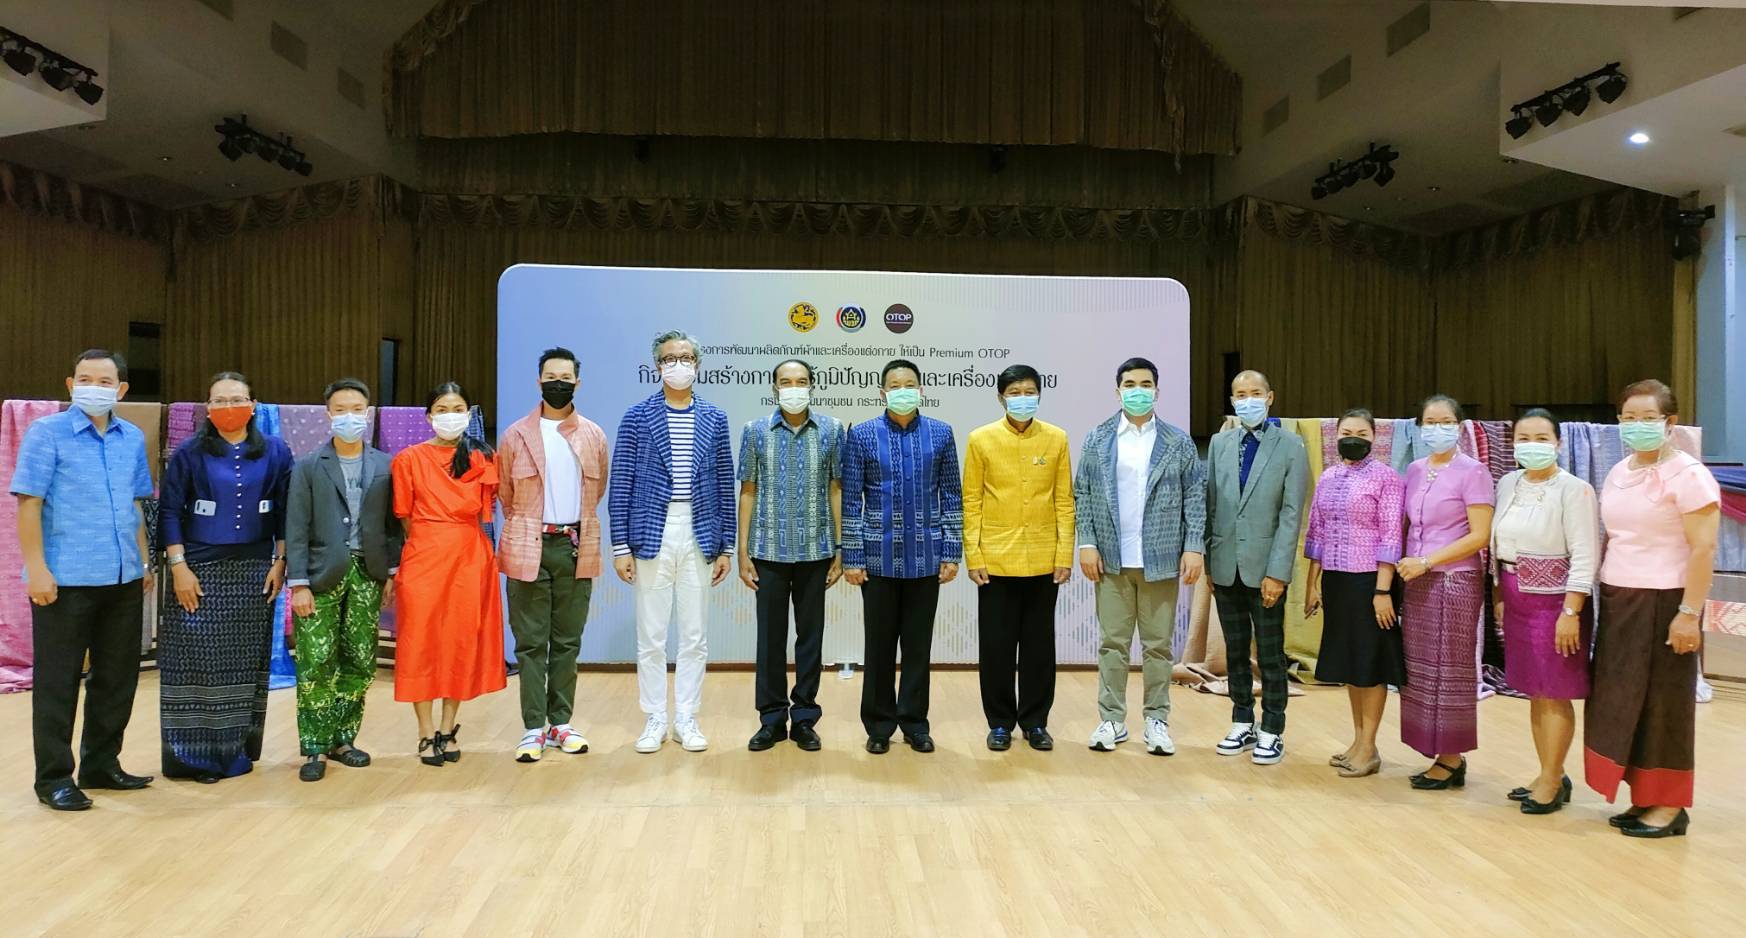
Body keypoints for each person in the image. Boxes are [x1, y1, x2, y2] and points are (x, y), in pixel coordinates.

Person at [11, 349, 157, 811]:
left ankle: (101, 764)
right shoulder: (47, 432)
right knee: (57, 682)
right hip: (65, 578)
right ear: (71, 384)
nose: (94, 386)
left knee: (117, 678)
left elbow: (135, 504)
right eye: (85, 379)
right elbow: (29, 503)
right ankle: (54, 778)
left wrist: (143, 562)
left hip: (122, 576)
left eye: (105, 380)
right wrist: (36, 567)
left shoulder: (131, 437)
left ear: (121, 390)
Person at [1585, 379, 1718, 838]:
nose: (1636, 425)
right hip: (1620, 597)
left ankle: (1669, 804)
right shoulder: (1619, 470)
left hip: (1667, 600)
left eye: (1647, 418)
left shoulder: (1689, 474)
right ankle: (1644, 794)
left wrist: (1689, 613)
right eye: (1628, 418)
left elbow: (1704, 549)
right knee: (1622, 700)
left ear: (1670, 422)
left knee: (1664, 702)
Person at [157, 372, 293, 783]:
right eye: (220, 400)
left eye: (237, 399)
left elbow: (286, 510)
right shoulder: (189, 452)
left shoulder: (275, 450)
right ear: (208, 407)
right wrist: (178, 567)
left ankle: (234, 751)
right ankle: (194, 758)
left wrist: (281, 560)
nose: (229, 406)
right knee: (196, 663)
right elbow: (169, 511)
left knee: (242, 665)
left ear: (253, 405)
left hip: (255, 571)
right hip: (197, 569)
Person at [610, 330, 736, 755]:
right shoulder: (636, 417)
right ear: (657, 366)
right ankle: (654, 717)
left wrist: (727, 546)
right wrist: (620, 547)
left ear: (697, 365)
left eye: (685, 357)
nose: (678, 364)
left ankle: (686, 716)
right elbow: (621, 484)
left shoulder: (715, 418)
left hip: (699, 530)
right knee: (651, 634)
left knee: (695, 634)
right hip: (651, 531)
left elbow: (724, 483)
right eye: (669, 358)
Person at [1075, 357, 1205, 756]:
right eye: (1129, 384)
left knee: (1158, 647)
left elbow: (1195, 496)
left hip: (1160, 559)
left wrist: (1193, 545)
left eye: (1145, 384)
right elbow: (1083, 493)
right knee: (1112, 643)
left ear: (1157, 391)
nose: (1137, 391)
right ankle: (1112, 719)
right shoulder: (1098, 438)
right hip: (1111, 558)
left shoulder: (1177, 442)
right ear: (1118, 391)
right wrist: (1087, 542)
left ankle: (1156, 720)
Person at [842, 359, 962, 754]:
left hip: (926, 556)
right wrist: (853, 556)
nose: (903, 390)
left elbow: (952, 495)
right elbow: (851, 499)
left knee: (917, 648)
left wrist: (952, 550)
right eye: (895, 385)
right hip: (878, 557)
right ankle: (879, 727)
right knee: (878, 647)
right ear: (882, 392)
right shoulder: (861, 435)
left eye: (910, 384)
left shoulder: (941, 433)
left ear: (921, 390)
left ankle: (914, 724)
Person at [285, 378, 402, 782]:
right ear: (328, 415)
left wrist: (391, 572)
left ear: (368, 414)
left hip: (368, 573)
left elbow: (392, 526)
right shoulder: (307, 466)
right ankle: (314, 746)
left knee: (360, 659)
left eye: (356, 409)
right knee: (316, 660)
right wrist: (298, 583)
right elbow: (296, 527)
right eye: (340, 410)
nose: (349, 416)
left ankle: (343, 739)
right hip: (321, 574)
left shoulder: (386, 464)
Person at [499, 347, 609, 763]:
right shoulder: (516, 435)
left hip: (574, 545)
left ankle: (561, 723)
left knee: (567, 641)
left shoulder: (593, 435)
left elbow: (597, 491)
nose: (558, 384)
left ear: (577, 382)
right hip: (528, 545)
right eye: (550, 378)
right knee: (530, 643)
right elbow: (507, 496)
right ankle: (533, 727)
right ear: (539, 381)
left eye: (565, 378)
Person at [391, 382, 505, 766]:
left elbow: (488, 510)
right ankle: (424, 731)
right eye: (442, 409)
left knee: (460, 640)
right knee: (420, 640)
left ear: (469, 414)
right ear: (428, 416)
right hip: (424, 554)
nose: (450, 416)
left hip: (470, 556)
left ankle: (447, 727)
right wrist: (430, 539)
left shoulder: (483, 457)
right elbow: (404, 516)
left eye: (457, 409)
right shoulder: (408, 459)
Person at [1490, 408, 1598, 814]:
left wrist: (1571, 611)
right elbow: (1499, 544)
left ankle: (1553, 780)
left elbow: (1586, 554)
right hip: (1516, 595)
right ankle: (1548, 771)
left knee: (1555, 691)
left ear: (1558, 443)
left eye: (1541, 439)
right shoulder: (1508, 483)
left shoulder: (1575, 489)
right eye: (1524, 439)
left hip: (1556, 602)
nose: (1531, 446)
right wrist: (1499, 594)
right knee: (1535, 690)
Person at [962, 364, 1073, 752]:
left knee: (1039, 648)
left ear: (1039, 395)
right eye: (1014, 392)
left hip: (1044, 559)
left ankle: (1036, 722)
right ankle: (999, 723)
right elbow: (972, 500)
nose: (1022, 398)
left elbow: (1064, 500)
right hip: (995, 560)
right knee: (996, 647)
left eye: (1029, 392)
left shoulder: (1057, 438)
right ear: (1001, 398)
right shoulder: (981, 439)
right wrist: (974, 554)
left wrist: (1064, 553)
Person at [737, 359, 844, 752]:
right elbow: (748, 491)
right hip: (768, 551)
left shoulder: (832, 429)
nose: (794, 388)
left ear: (812, 386)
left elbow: (836, 489)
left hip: (817, 550)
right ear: (774, 388)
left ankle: (804, 719)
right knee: (770, 639)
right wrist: (743, 551)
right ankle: (770, 720)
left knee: (810, 638)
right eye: (786, 381)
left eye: (801, 381)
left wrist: (840, 548)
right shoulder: (755, 431)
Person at [1205, 370, 1307, 765]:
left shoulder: (1290, 445)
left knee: (1269, 653)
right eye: (1240, 394)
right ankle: (1242, 719)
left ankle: (1272, 728)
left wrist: (1278, 572)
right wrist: (1209, 561)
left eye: (1255, 393)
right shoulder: (1220, 443)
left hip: (1266, 569)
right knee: (1234, 651)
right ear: (1232, 400)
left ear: (1270, 397)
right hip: (1225, 564)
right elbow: (1211, 503)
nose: (1248, 399)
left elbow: (1291, 514)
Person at [1395, 394, 1494, 790]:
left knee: (1449, 668)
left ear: (1459, 426)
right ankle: (1434, 750)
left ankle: (1451, 757)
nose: (1437, 429)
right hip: (1417, 578)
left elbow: (1480, 535)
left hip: (1454, 579)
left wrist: (1428, 560)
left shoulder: (1474, 471)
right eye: (1430, 422)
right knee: (1421, 668)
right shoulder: (1415, 469)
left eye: (1445, 422)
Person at [1303, 409, 1406, 779]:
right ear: (1336, 435)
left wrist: (1383, 590)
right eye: (1347, 431)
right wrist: (1312, 584)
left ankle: (1369, 746)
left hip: (1370, 581)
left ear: (1374, 437)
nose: (1353, 438)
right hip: (1336, 579)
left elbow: (1391, 535)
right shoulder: (1328, 476)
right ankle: (1359, 741)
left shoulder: (1387, 478)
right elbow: (1316, 531)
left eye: (1361, 433)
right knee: (1349, 663)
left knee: (1369, 664)